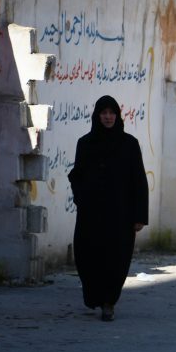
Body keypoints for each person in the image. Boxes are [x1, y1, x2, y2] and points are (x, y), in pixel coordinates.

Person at [68, 95, 149, 322]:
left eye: (112, 113)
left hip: (120, 215)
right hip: (91, 214)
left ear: (118, 115)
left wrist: (140, 216)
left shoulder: (129, 144)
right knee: (87, 256)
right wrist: (81, 199)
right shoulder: (85, 144)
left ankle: (109, 302)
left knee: (116, 259)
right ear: (97, 115)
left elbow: (139, 181)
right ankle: (94, 297)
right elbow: (77, 176)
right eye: (104, 113)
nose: (108, 117)